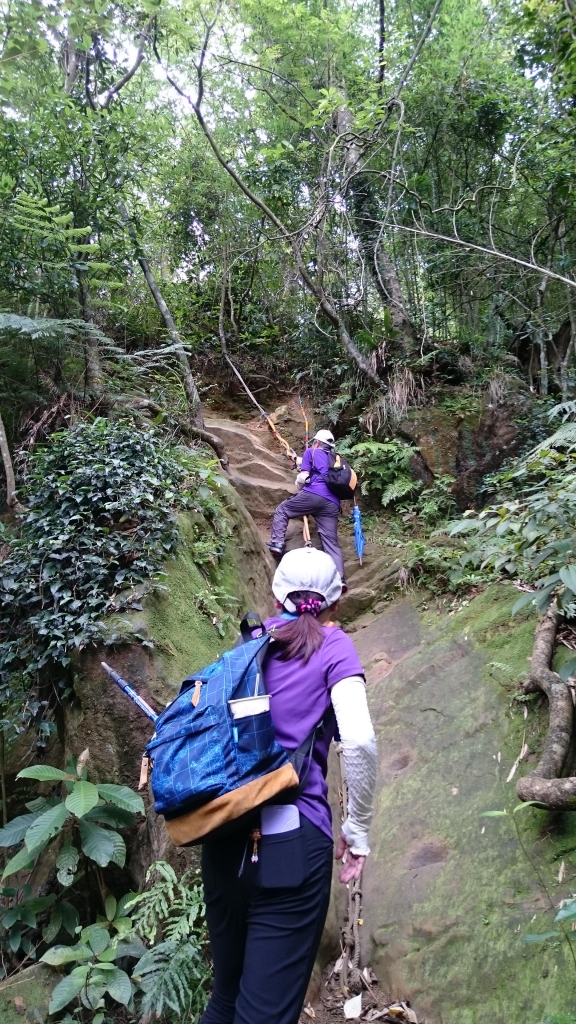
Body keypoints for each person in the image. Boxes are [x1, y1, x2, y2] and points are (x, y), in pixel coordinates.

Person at [200, 546, 377, 1024]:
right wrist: (357, 832)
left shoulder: (248, 647)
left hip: (223, 837)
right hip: (294, 844)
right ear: (335, 601)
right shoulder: (335, 646)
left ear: (276, 594)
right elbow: (358, 740)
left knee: (226, 998)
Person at [268, 428, 346, 584]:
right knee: (331, 542)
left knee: (283, 510)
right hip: (333, 503)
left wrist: (299, 484)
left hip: (314, 495)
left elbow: (303, 477)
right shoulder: (337, 459)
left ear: (317, 442)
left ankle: (277, 543)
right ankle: (339, 579)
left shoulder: (311, 451)